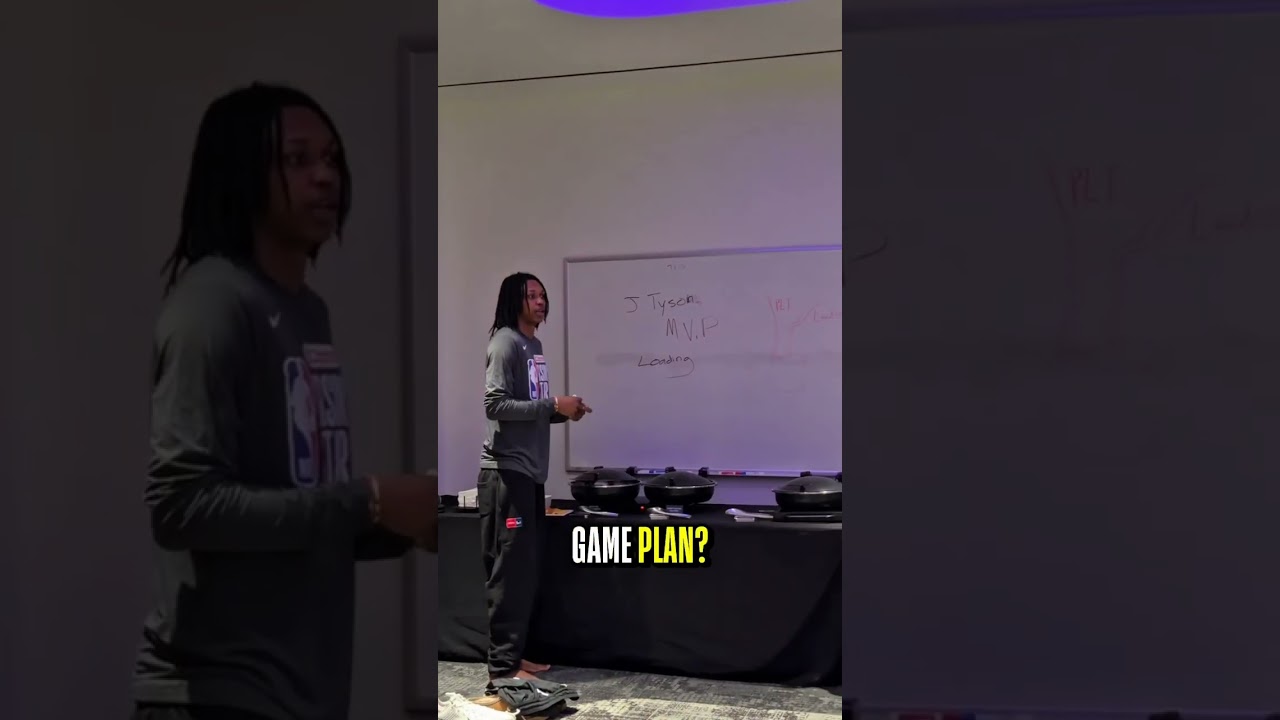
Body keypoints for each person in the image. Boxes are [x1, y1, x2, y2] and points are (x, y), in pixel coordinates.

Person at [130, 82, 438, 720]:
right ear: (242, 174)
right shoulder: (212, 304)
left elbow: (297, 513)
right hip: (218, 693)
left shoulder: (307, 311)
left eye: (331, 158)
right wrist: (372, 499)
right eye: (297, 160)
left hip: (301, 693)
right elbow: (183, 506)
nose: (326, 177)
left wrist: (407, 521)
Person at [479, 272, 591, 681]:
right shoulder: (505, 343)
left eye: (543, 295)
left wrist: (562, 412)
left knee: (524, 572)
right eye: (532, 295)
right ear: (515, 300)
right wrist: (552, 404)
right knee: (509, 573)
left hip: (530, 473)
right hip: (506, 473)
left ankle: (516, 656)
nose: (541, 302)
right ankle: (502, 669)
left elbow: (531, 408)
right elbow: (495, 405)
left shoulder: (535, 347)